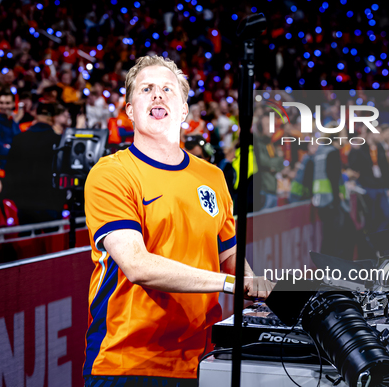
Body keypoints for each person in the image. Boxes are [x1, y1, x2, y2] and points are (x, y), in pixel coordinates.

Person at [82, 55, 273, 386]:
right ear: (129, 110)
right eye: (147, 89)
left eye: (168, 89)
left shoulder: (212, 176)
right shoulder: (111, 174)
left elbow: (228, 255)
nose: (157, 95)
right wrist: (231, 284)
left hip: (203, 360)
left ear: (184, 111)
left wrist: (252, 282)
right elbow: (138, 266)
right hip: (129, 363)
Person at [4, 103, 67, 224]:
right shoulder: (59, 142)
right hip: (51, 203)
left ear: (36, 116)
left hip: (24, 203)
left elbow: (10, 171)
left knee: (27, 240)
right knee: (51, 241)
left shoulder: (18, 139)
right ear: (53, 117)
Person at [312, 140, 356, 260]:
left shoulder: (321, 151)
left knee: (330, 238)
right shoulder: (332, 152)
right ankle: (341, 271)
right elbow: (333, 176)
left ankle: (327, 272)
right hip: (333, 202)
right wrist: (337, 199)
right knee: (339, 238)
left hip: (322, 200)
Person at [348, 125, 389, 233]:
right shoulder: (360, 148)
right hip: (368, 187)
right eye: (377, 133)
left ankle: (378, 238)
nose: (380, 135)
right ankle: (372, 244)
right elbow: (353, 166)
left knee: (388, 215)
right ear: (370, 134)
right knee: (371, 217)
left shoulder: (380, 148)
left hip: (381, 187)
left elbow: (385, 169)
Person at [0, 88, 22, 170]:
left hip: (15, 162)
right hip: (0, 164)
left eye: (7, 103)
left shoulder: (14, 121)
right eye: (1, 103)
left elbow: (19, 140)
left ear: (13, 104)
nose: (4, 106)